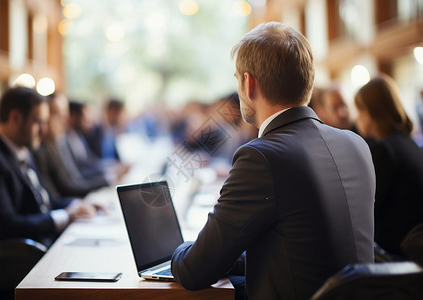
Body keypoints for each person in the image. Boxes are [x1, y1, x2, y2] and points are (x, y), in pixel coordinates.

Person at [171, 21, 376, 300]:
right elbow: (305, 243)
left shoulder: (261, 157)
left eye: (237, 79)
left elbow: (194, 271)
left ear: (249, 83)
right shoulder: (356, 145)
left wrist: (176, 249)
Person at [0, 86, 97, 254]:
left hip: (43, 244)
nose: (43, 130)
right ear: (15, 118)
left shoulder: (23, 150)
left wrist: (77, 205)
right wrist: (65, 216)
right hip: (14, 261)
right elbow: (7, 226)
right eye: (38, 122)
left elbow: (46, 201)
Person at [354, 74, 423, 257]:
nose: (356, 118)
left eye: (359, 110)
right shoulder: (409, 143)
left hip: (398, 257)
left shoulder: (383, 151)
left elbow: (366, 212)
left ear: (370, 112)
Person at [32, 93, 109, 199]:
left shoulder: (59, 142)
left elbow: (76, 177)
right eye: (59, 115)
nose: (66, 120)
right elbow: (60, 192)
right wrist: (106, 180)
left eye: (65, 115)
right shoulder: (38, 150)